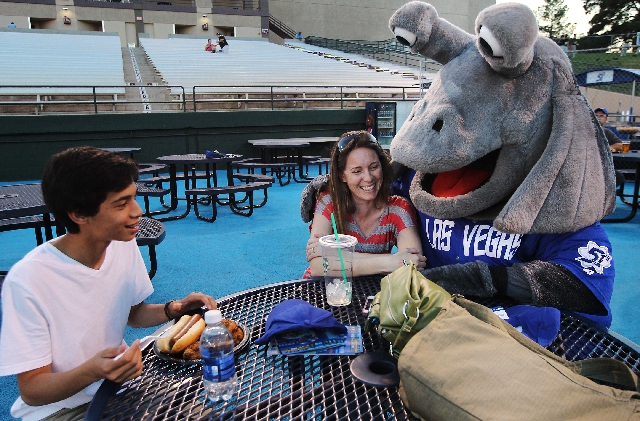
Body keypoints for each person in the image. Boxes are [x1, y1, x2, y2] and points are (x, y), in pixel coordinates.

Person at [0, 147, 217, 421]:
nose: (138, 211)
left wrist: (173, 308)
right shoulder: (28, 280)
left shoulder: (121, 243)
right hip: (59, 409)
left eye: (134, 198)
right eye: (121, 204)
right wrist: (93, 371)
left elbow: (133, 314)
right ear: (79, 214)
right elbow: (32, 390)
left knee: (208, 412)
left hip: (120, 386)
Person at [304, 131, 426, 277]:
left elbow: (413, 264)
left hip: (374, 289)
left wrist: (337, 255)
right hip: (328, 287)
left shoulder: (399, 209)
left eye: (374, 167)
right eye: (357, 171)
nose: (368, 178)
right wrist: (391, 262)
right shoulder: (329, 202)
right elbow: (318, 266)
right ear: (342, 175)